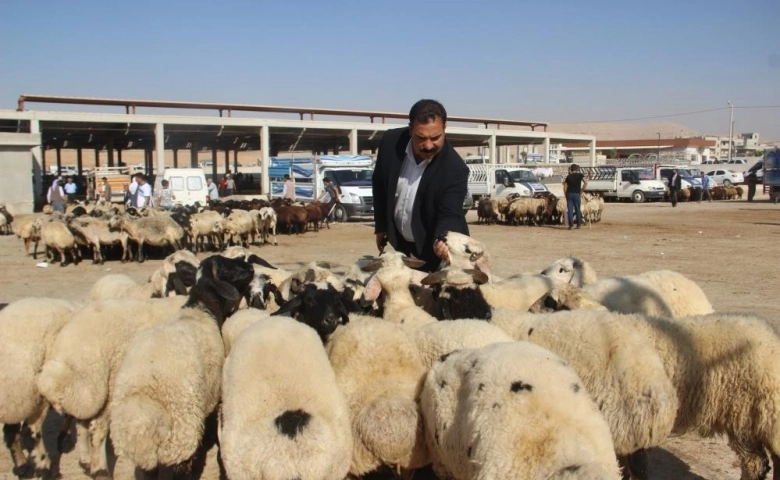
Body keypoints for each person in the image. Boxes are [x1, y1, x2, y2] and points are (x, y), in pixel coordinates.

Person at [372, 99, 469, 272]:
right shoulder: (390, 142)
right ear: (410, 130)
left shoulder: (455, 169)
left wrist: (444, 240)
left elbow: (450, 213)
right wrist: (381, 226)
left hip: (432, 250)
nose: (428, 145)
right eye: (421, 138)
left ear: (444, 129)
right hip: (400, 245)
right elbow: (379, 183)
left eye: (435, 137)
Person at [562, 164, 588, 229]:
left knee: (570, 210)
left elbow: (564, 187)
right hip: (577, 194)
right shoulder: (580, 175)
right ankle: (579, 225)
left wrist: (565, 195)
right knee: (577, 209)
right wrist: (582, 190)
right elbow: (586, 182)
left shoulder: (568, 176)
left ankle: (571, 225)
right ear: (577, 169)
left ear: (571, 169)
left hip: (569, 194)